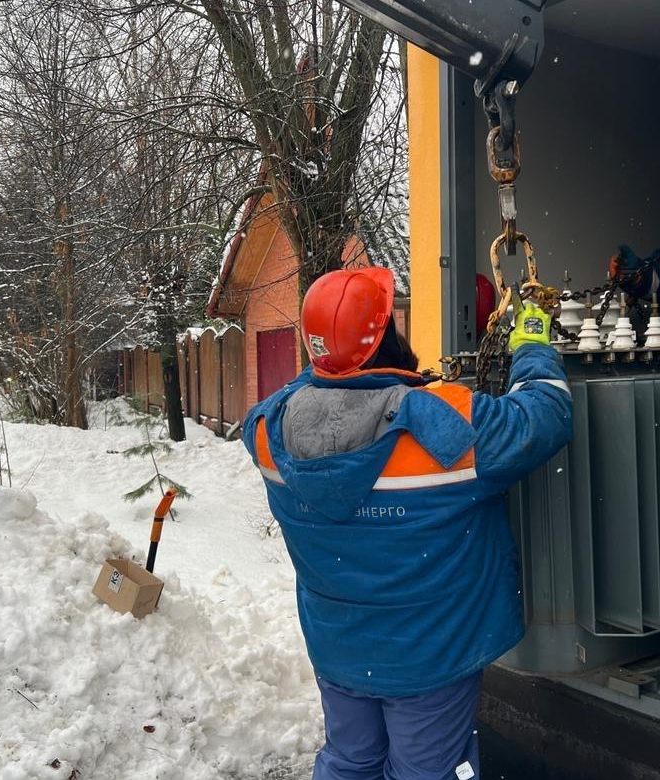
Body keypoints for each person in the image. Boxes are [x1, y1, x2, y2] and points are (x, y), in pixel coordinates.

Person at [243, 266, 573, 780]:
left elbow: (317, 401)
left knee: (351, 761)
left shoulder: (267, 429)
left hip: (340, 648)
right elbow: (544, 416)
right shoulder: (443, 423)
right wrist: (532, 342)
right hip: (429, 657)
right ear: (384, 339)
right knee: (425, 773)